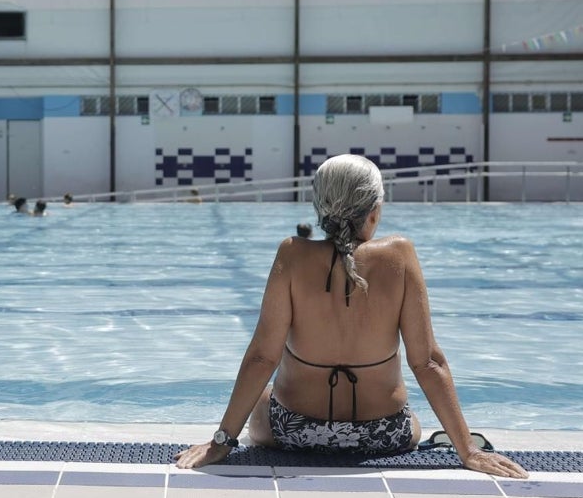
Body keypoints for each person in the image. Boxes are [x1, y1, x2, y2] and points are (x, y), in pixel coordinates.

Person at [174, 154, 528, 479]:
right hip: (385, 434)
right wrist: (466, 449)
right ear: (374, 210)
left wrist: (221, 440)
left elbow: (263, 356)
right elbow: (428, 362)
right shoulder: (400, 255)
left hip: (295, 432)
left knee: (266, 397)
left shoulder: (292, 255)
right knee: (411, 414)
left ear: (319, 207)